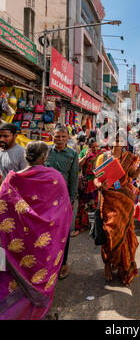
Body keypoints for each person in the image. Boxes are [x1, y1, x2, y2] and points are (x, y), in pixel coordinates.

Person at [0, 141, 72, 320]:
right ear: (45, 157)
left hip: (18, 244)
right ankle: (36, 312)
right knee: (39, 272)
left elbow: (2, 206)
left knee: (14, 279)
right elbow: (64, 209)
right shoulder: (54, 177)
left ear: (25, 156)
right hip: (43, 244)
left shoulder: (10, 180)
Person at [94, 137, 139, 286]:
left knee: (125, 234)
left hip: (124, 201)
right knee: (109, 233)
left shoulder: (128, 158)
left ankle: (122, 266)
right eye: (115, 139)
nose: (118, 143)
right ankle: (107, 264)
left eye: (121, 140)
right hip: (108, 200)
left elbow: (133, 174)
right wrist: (100, 186)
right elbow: (96, 179)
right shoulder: (103, 157)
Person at [45, 125, 79, 279]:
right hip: (45, 200)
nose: (59, 139)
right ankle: (48, 263)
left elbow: (74, 178)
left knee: (63, 232)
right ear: (52, 136)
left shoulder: (72, 154)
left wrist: (72, 199)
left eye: (63, 137)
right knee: (46, 232)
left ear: (67, 138)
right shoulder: (45, 152)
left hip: (63, 200)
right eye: (57, 136)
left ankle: (63, 263)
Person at [71, 138, 102, 237]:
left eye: (96, 146)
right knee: (82, 205)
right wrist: (85, 156)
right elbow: (78, 165)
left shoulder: (100, 153)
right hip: (86, 183)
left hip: (96, 182)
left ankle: (93, 225)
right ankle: (80, 227)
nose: (94, 149)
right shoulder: (84, 152)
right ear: (88, 146)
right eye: (92, 147)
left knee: (95, 205)